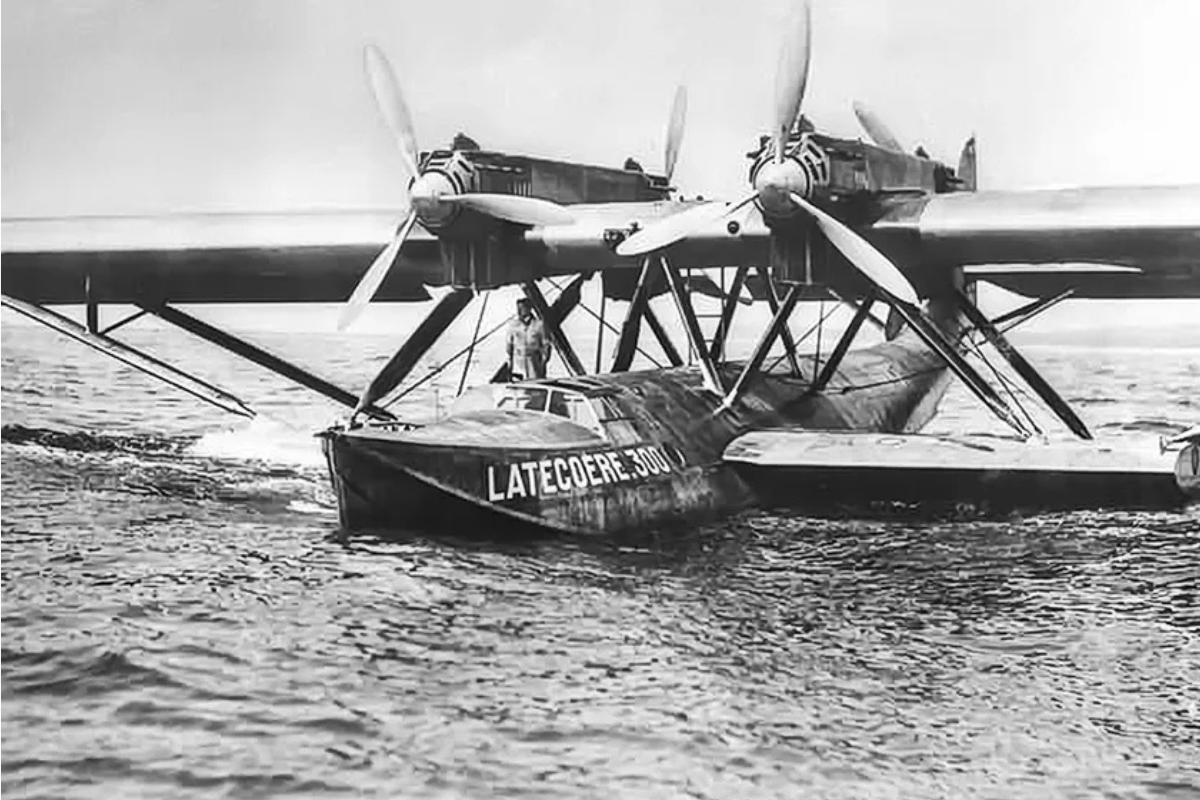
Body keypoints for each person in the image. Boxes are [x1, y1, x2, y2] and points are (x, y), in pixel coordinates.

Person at [506, 298, 551, 381]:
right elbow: (509, 347)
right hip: (518, 363)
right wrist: (509, 365)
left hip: (534, 363)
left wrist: (543, 363)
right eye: (518, 309)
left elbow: (546, 345)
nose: (519, 311)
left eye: (522, 308)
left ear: (529, 309)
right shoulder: (513, 326)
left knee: (535, 388)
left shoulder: (539, 325)